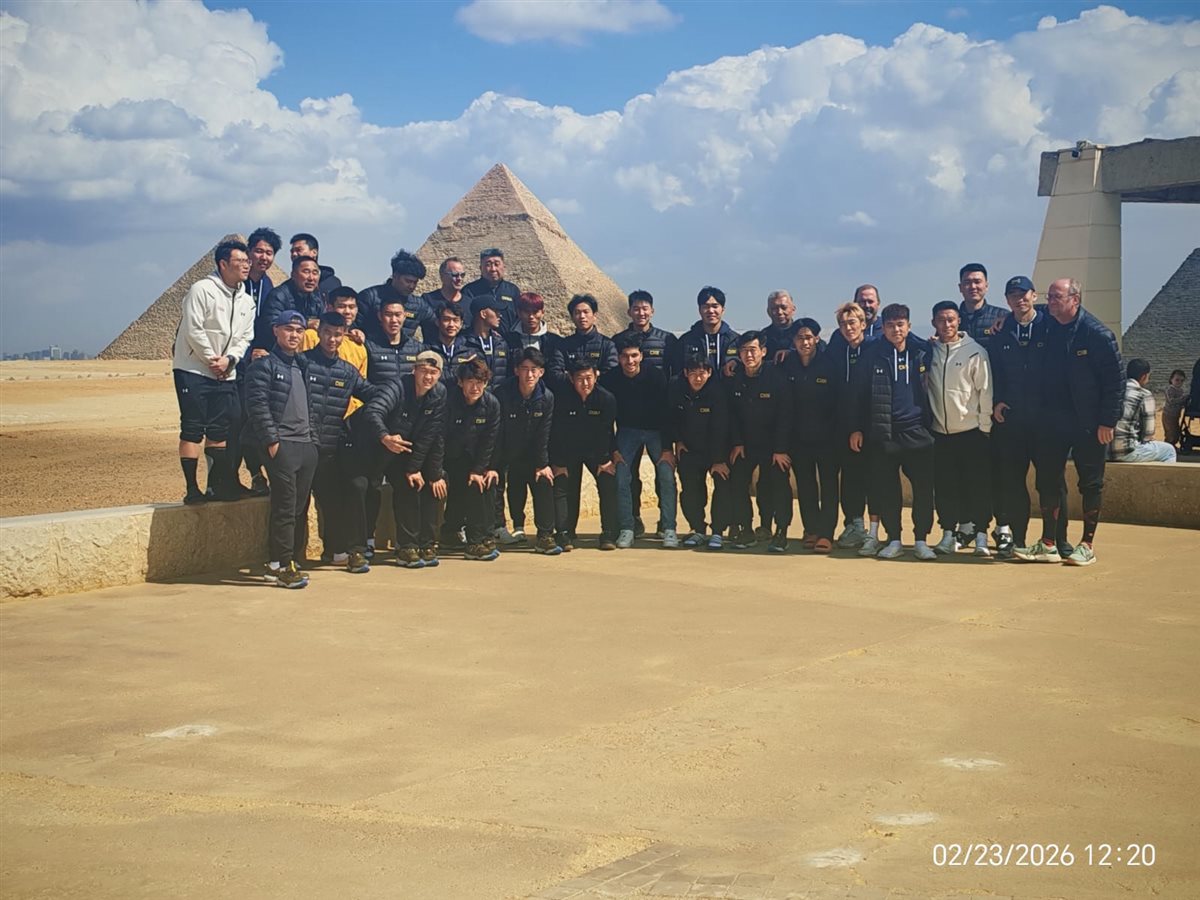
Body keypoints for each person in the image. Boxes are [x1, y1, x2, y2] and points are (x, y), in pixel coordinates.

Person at [1015, 278, 1123, 566]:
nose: (1049, 302)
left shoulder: (1098, 335)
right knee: (1047, 480)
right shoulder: (1047, 325)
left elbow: (1115, 382)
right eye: (1049, 296)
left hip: (1089, 423)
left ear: (1075, 300)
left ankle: (1087, 544)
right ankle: (1049, 543)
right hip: (1052, 421)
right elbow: (1028, 310)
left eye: (1056, 297)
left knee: (1091, 484)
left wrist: (1108, 421)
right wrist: (1004, 318)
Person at [989, 276, 1069, 560]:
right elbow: (995, 371)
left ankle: (1057, 540)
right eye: (1013, 295)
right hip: (1013, 421)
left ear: (1035, 296)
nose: (1019, 299)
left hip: (1047, 420)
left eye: (1024, 294)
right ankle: (1019, 541)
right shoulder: (1001, 332)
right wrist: (997, 400)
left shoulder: (1052, 326)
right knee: (1013, 483)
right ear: (1007, 300)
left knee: (1052, 483)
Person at [849, 304, 937, 561]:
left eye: (900, 324)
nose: (896, 330)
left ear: (908, 326)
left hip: (917, 431)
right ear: (883, 327)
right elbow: (858, 395)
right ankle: (894, 539)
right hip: (884, 433)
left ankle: (921, 540)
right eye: (890, 325)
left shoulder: (922, 351)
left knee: (923, 490)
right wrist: (856, 428)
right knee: (887, 490)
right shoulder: (872, 355)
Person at [171, 239, 254, 504]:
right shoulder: (201, 290)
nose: (247, 265)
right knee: (192, 428)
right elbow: (193, 329)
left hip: (226, 372)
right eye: (241, 261)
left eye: (247, 261)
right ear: (223, 264)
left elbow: (245, 337)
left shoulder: (247, 300)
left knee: (219, 432)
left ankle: (216, 487)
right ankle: (192, 488)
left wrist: (230, 360)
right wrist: (212, 360)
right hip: (194, 370)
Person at [244, 309, 320, 588]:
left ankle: (282, 561)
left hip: (306, 445)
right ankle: (283, 565)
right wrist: (272, 442)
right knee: (285, 507)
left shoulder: (303, 365)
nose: (294, 335)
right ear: (276, 330)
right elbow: (257, 406)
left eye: (299, 331)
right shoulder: (263, 366)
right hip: (282, 444)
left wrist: (314, 442)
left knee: (298, 507)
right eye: (288, 329)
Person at [303, 313, 377, 573]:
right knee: (296, 505)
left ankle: (342, 551)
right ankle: (290, 558)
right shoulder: (302, 363)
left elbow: (372, 394)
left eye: (337, 334)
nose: (332, 339)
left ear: (344, 335)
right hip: (302, 445)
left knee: (336, 501)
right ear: (318, 333)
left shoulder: (347, 371)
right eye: (327, 333)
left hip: (331, 447)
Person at [362, 351, 448, 568]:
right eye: (424, 371)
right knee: (367, 488)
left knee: (412, 484)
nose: (428, 377)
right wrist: (385, 437)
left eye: (433, 372)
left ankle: (409, 546)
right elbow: (373, 412)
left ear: (439, 374)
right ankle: (365, 542)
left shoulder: (439, 393)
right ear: (414, 370)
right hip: (374, 446)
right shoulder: (396, 386)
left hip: (403, 451)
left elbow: (431, 435)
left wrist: (414, 468)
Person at [926, 301, 994, 557]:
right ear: (934, 323)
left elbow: (985, 391)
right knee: (945, 488)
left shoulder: (975, 352)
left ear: (959, 321)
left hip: (972, 433)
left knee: (977, 486)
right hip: (940, 434)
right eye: (941, 320)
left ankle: (981, 536)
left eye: (951, 320)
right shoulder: (930, 351)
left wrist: (985, 428)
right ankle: (947, 534)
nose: (947, 325)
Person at [600, 333, 678, 549]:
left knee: (666, 476)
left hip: (656, 432)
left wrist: (667, 448)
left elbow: (666, 413)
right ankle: (627, 528)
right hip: (627, 431)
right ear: (618, 357)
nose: (630, 361)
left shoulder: (656, 376)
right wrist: (613, 449)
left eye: (634, 355)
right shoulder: (610, 379)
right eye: (625, 356)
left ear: (641, 356)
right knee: (621, 477)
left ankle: (669, 528)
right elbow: (605, 420)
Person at [612, 289, 678, 536]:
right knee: (629, 475)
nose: (641, 312)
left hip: (657, 420)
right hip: (628, 421)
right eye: (636, 308)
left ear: (652, 310)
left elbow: (674, 375)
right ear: (629, 311)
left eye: (645, 308)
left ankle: (665, 523)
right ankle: (634, 518)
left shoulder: (667, 340)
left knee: (664, 475)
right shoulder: (618, 340)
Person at [725, 331, 793, 552]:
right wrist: (737, 442)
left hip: (774, 445)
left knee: (777, 485)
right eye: (744, 351)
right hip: (745, 444)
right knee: (737, 482)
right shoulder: (736, 378)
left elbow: (785, 414)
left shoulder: (776, 377)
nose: (749, 355)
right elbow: (732, 414)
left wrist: (781, 449)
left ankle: (780, 531)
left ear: (763, 352)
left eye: (753, 350)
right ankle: (746, 529)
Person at [492, 347, 561, 555]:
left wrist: (542, 464)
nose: (529, 374)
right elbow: (496, 430)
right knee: (495, 481)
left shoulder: (547, 397)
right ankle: (496, 529)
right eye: (524, 369)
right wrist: (492, 464)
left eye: (534, 369)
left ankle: (545, 536)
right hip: (504, 450)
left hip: (532, 452)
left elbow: (544, 433)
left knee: (544, 479)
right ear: (516, 370)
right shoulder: (502, 393)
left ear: (541, 372)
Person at [780, 318, 839, 552]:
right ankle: (811, 530)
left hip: (827, 439)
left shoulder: (829, 364)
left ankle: (826, 533)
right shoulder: (786, 364)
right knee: (805, 486)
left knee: (829, 486)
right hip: (798, 439)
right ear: (793, 341)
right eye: (799, 338)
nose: (804, 342)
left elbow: (839, 402)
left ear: (816, 338)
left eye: (808, 337)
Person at [550, 359, 619, 551]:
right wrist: (558, 462)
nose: (585, 383)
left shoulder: (606, 398)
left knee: (608, 482)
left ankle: (609, 533)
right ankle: (564, 533)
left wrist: (604, 461)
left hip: (596, 451)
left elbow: (606, 431)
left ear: (596, 376)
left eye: (589, 378)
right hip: (568, 450)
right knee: (563, 486)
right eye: (580, 378)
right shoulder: (561, 398)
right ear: (571, 379)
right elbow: (556, 432)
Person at [235, 226, 283, 497]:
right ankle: (241, 477)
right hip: (233, 364)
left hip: (259, 365)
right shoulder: (233, 283)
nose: (264, 257)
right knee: (236, 424)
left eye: (269, 253)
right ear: (248, 252)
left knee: (258, 422)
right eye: (259, 251)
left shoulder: (268, 285)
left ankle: (259, 474)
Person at [667, 353, 732, 549]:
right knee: (690, 492)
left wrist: (719, 460)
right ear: (685, 373)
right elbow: (670, 418)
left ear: (710, 373)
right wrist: (678, 440)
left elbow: (722, 427)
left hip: (716, 451)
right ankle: (697, 529)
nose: (698, 378)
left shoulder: (718, 393)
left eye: (702, 373)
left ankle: (718, 531)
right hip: (689, 450)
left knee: (723, 489)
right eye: (693, 373)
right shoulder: (677, 390)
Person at [442, 358, 503, 560]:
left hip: (476, 458)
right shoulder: (448, 401)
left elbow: (490, 440)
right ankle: (471, 541)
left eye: (480, 382)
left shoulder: (492, 404)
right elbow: (438, 438)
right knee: (466, 484)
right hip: (448, 458)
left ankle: (485, 535)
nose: (475, 387)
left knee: (486, 481)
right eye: (470, 382)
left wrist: (482, 469)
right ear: (460, 382)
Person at [830, 302, 877, 548]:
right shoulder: (838, 350)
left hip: (872, 425)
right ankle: (855, 525)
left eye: (852, 323)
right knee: (850, 478)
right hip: (845, 425)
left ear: (863, 324)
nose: (848, 328)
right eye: (843, 324)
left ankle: (876, 532)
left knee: (874, 479)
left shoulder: (876, 348)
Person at [253, 256, 324, 356]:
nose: (311, 278)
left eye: (315, 273)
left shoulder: (316, 299)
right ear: (293, 275)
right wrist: (306, 323)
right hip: (276, 351)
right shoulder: (279, 295)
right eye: (306, 272)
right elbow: (272, 327)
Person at [357, 250, 432, 345]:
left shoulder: (419, 305)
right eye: (408, 281)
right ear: (395, 276)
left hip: (405, 353)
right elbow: (352, 326)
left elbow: (436, 329)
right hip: (371, 351)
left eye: (415, 282)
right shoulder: (370, 297)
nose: (412, 286)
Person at [1109, 359, 1177, 463]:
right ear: (1144, 376)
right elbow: (1148, 434)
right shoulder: (1143, 394)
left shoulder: (1113, 392)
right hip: (1126, 451)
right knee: (1169, 451)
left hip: (1103, 451)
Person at [549, 293, 617, 385]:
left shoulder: (607, 345)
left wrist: (574, 375)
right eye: (577, 313)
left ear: (594, 315)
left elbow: (611, 373)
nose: (582, 316)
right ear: (572, 317)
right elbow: (555, 373)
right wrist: (582, 378)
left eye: (586, 312)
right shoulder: (563, 345)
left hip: (599, 392)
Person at [677, 287, 740, 378]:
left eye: (715, 306)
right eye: (706, 307)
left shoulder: (735, 340)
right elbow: (678, 373)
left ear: (723, 309)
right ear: (699, 310)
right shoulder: (686, 340)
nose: (710, 311)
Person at [365, 298, 423, 385]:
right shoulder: (369, 347)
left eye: (398, 315)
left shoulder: (417, 348)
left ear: (404, 316)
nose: (393, 320)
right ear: (380, 316)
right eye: (388, 315)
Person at [463, 248, 521, 333]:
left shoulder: (512, 290)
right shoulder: (469, 291)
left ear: (504, 267)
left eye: (497, 264)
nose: (493, 269)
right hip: (478, 340)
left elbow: (519, 319)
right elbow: (466, 319)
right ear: (480, 268)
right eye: (488, 265)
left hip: (509, 339)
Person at [956, 263, 1008, 349]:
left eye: (977, 282)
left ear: (986, 286)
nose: (973, 287)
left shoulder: (1002, 316)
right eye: (967, 282)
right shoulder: (950, 320)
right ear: (960, 287)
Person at [423, 300, 474, 385]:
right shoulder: (427, 350)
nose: (451, 324)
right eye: (446, 320)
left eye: (455, 320)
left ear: (461, 324)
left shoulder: (469, 353)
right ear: (437, 322)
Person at [463, 295, 510, 383]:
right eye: (495, 311)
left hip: (499, 392)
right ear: (483, 314)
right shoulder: (463, 342)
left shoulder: (501, 342)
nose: (499, 315)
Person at [289, 232, 341, 297]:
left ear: (314, 252)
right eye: (292, 251)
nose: (294, 254)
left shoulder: (332, 283)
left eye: (299, 250)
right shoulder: (287, 288)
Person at [420, 257, 469, 322]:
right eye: (454, 275)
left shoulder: (469, 303)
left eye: (462, 275)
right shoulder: (427, 301)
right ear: (442, 276)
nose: (459, 278)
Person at [506, 291, 554, 356]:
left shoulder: (553, 341)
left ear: (542, 313)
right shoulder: (507, 340)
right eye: (526, 312)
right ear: (519, 313)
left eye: (535, 312)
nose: (531, 316)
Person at [761, 290, 799, 357]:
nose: (779, 312)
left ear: (793, 309)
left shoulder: (802, 333)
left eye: (784, 307)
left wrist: (792, 354)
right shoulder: (763, 336)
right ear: (768, 312)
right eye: (774, 308)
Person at [1161, 368, 1187, 449]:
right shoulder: (1170, 389)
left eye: (1182, 381)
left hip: (1176, 416)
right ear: (1171, 380)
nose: (1179, 382)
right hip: (1168, 415)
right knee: (1170, 432)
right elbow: (1171, 401)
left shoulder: (1181, 390)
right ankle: (1168, 446)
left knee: (1176, 431)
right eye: (1177, 380)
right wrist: (1183, 399)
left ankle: (1172, 445)